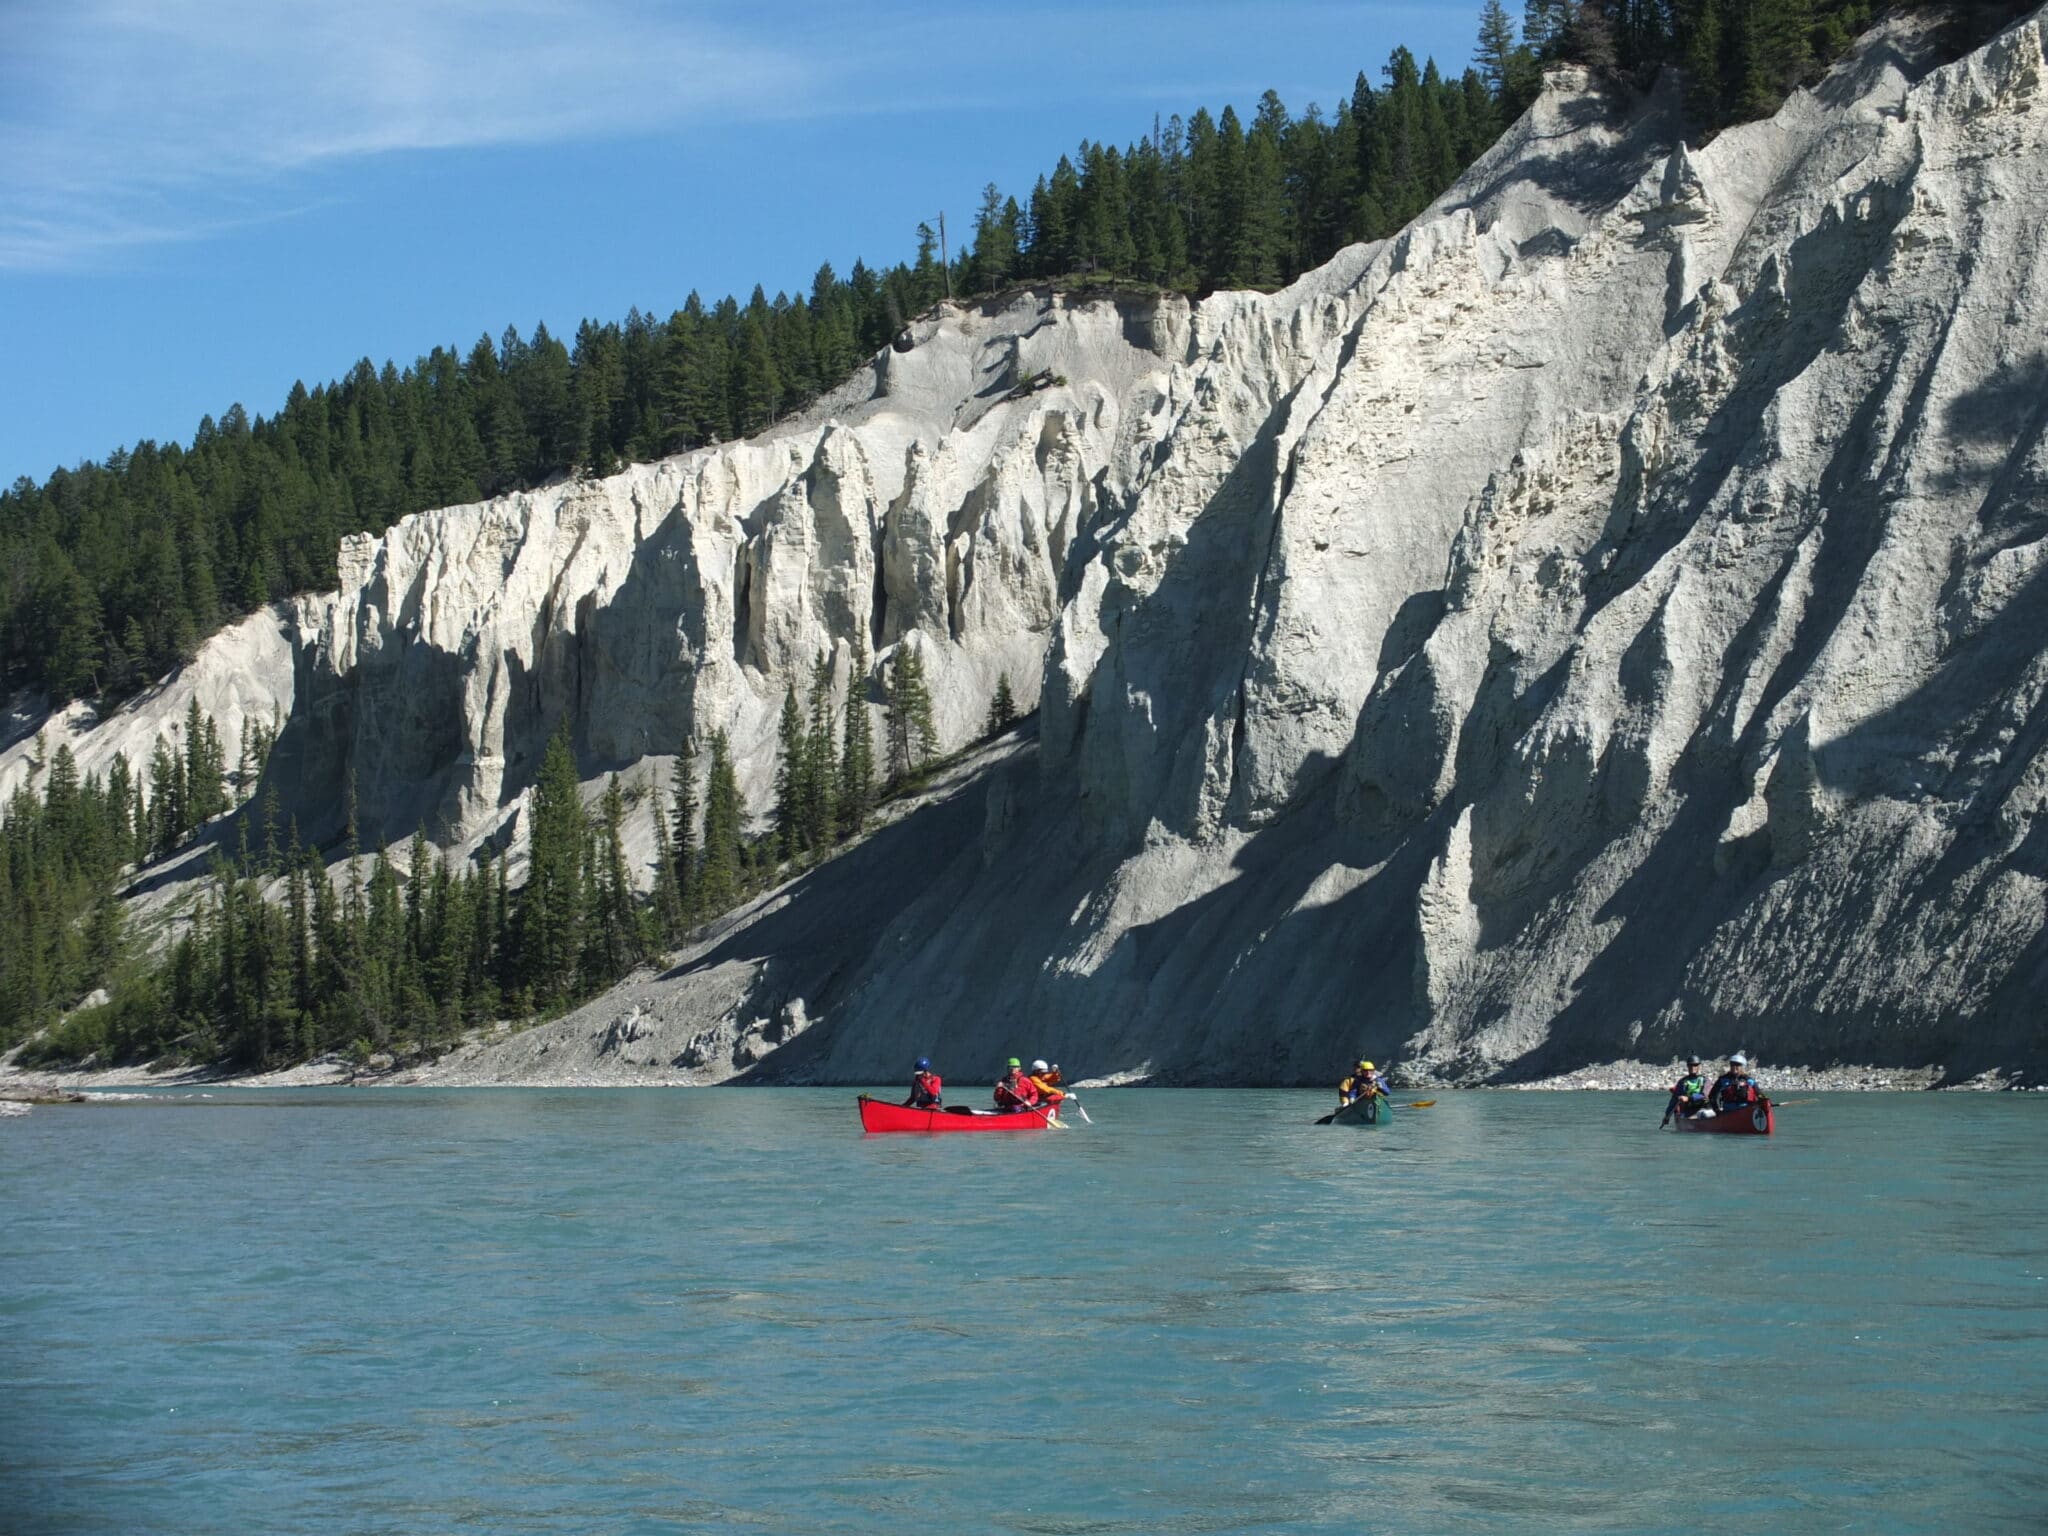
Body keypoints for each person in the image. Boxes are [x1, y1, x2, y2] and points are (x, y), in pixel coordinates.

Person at [1663, 1055, 1710, 1124]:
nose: (1693, 1067)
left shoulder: (1705, 1080)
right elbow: (1674, 1101)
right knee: (1683, 1113)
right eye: (1690, 1065)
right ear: (1687, 1066)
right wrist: (1667, 1116)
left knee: (1707, 1113)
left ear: (1699, 1066)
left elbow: (1704, 1095)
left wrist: (1688, 1098)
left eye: (1695, 1065)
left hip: (1703, 1109)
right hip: (1688, 1111)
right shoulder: (1682, 1082)